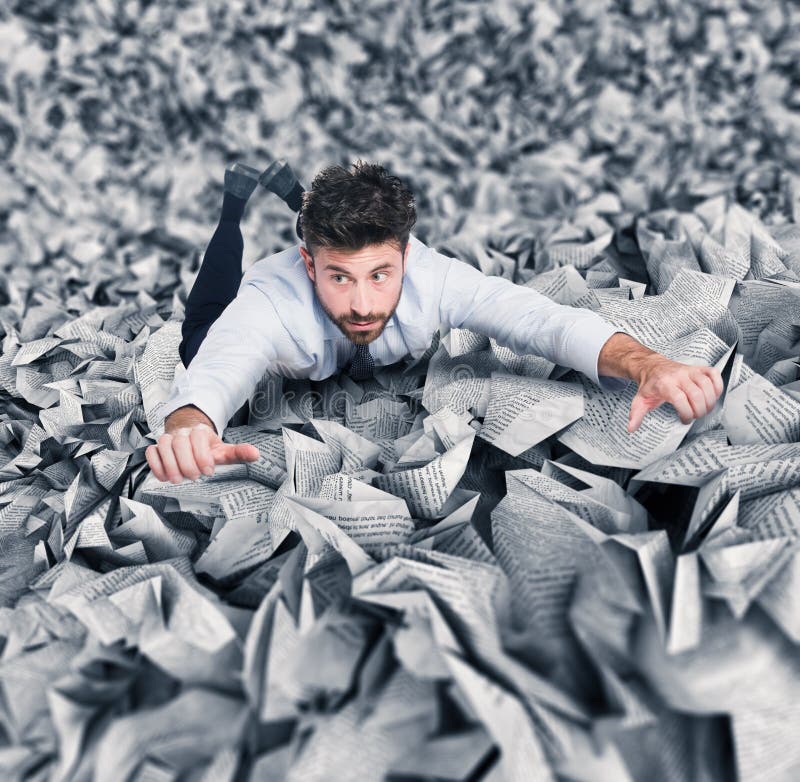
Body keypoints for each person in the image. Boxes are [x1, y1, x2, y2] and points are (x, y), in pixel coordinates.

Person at [146, 159, 724, 484]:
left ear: (406, 255)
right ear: (307, 264)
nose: (364, 305)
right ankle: (236, 200)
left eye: (381, 274)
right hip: (231, 308)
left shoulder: (436, 277)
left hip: (349, 248)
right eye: (339, 277)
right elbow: (219, 370)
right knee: (200, 332)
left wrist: (648, 363)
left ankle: (300, 196)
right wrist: (188, 429)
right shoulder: (272, 301)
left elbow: (539, 320)